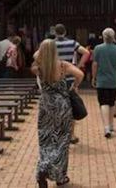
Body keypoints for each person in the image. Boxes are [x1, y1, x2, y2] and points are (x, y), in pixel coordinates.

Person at [31, 39, 84, 187]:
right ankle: (60, 177)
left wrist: (42, 51)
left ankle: (43, 167)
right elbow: (80, 74)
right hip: (62, 105)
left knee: (46, 139)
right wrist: (74, 86)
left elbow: (36, 55)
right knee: (62, 141)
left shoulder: (38, 67)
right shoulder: (63, 65)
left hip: (46, 105)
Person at [53, 23, 90, 144]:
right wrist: (78, 66)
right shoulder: (72, 43)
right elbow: (86, 53)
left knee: (56, 107)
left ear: (55, 32)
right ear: (65, 32)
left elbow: (37, 55)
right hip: (69, 79)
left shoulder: (50, 44)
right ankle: (71, 135)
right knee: (71, 106)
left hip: (54, 79)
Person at [91, 28, 116, 138]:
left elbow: (95, 64)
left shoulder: (97, 48)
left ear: (103, 37)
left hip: (101, 81)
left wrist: (93, 77)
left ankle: (106, 127)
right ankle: (111, 125)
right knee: (111, 103)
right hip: (113, 81)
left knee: (103, 103)